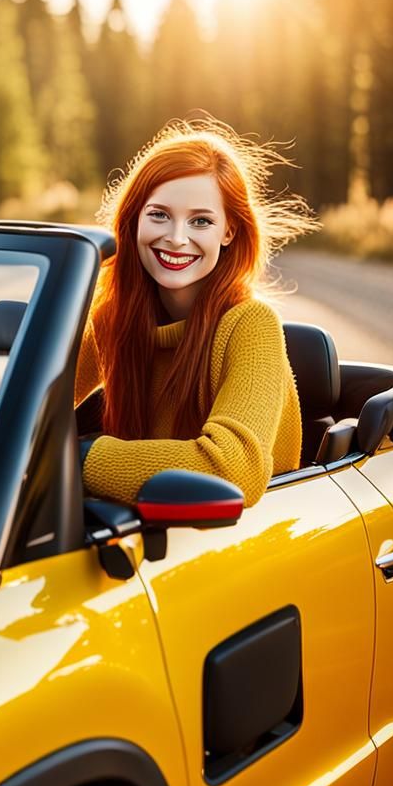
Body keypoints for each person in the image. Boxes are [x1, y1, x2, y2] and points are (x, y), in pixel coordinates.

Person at [75, 119, 316, 508]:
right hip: (148, 536)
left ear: (229, 232)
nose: (176, 237)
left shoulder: (251, 325)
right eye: (159, 215)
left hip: (255, 542)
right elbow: (32, 409)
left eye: (200, 221)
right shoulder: (112, 320)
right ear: (134, 218)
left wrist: (80, 458)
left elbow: (233, 472)